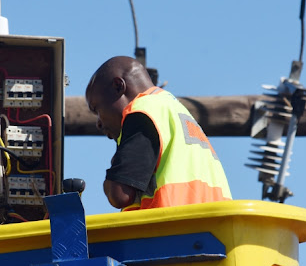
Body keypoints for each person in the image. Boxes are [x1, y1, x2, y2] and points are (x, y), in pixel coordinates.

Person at [85, 56, 232, 210]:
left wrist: (112, 176)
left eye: (97, 109)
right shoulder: (174, 111)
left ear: (118, 86)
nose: (99, 122)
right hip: (211, 227)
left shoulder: (142, 111)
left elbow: (119, 195)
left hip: (173, 228)